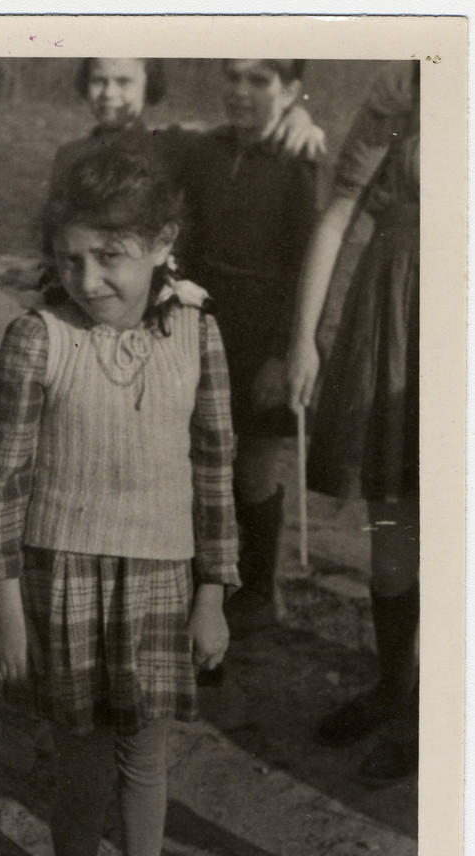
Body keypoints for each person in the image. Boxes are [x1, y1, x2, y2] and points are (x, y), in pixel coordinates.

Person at [0, 147, 239, 856]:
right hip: (66, 576)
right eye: (70, 259)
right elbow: (7, 478)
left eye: (111, 257)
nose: (89, 279)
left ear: (162, 242)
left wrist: (212, 591)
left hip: (163, 573)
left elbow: (213, 464)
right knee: (83, 759)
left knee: (145, 754)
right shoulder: (35, 339)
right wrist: (5, 602)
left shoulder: (199, 333)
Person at [286, 61, 420, 786]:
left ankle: (435, 719)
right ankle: (395, 687)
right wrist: (302, 337)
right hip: (396, 319)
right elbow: (337, 216)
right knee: (393, 532)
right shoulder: (400, 98)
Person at [175, 60, 322, 634]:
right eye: (232, 77)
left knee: (254, 469)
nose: (241, 92)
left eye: (259, 81)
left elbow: (309, 265)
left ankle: (259, 591)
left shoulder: (299, 163)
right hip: (209, 319)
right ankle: (203, 585)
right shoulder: (205, 151)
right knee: (203, 460)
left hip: (269, 329)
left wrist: (285, 354)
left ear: (288, 90)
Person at [49, 57, 326, 191]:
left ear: (149, 85)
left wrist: (297, 116)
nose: (109, 94)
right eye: (99, 81)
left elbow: (240, 133)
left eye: (123, 82)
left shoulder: (169, 145)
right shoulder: (69, 154)